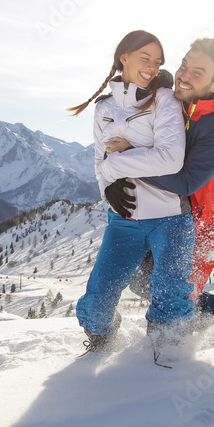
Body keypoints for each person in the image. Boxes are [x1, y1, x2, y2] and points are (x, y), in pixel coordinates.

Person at [69, 30, 195, 354]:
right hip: (123, 220)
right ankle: (103, 340)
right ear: (124, 57)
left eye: (157, 62)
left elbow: (170, 158)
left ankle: (166, 350)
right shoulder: (103, 109)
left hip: (170, 217)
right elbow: (99, 161)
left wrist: (117, 166)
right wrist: (106, 190)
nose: (152, 67)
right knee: (96, 304)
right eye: (145, 58)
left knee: (169, 295)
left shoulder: (164, 100)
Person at [104, 38, 214, 325]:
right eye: (184, 66)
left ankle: (201, 324)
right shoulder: (173, 99)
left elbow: (186, 181)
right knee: (141, 280)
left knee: (176, 292)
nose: (184, 75)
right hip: (168, 209)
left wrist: (128, 158)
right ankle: (200, 308)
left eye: (198, 73)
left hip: (206, 220)